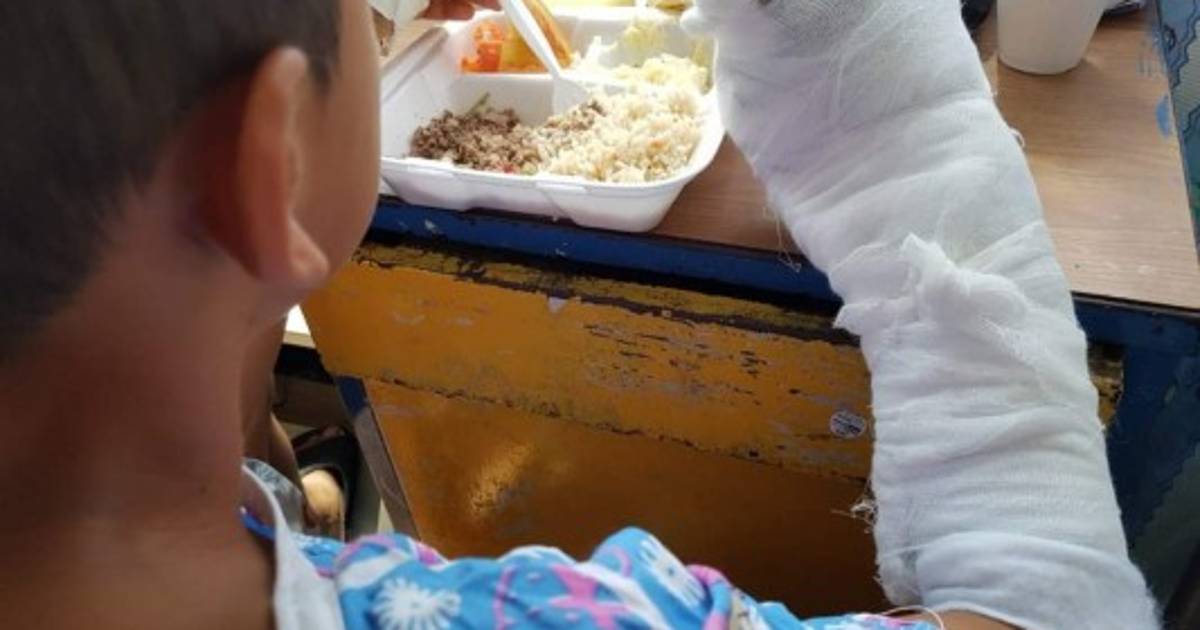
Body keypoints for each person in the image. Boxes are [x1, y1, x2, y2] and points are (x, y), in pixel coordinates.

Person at [0, 1, 1159, 629]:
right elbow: (1049, 608)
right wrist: (897, 125)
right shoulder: (593, 616)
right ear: (267, 172)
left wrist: (231, 309)